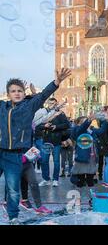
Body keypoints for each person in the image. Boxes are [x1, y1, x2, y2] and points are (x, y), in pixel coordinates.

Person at [0, 68, 71, 224]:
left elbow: (43, 95)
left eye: (20, 90)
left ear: (24, 93)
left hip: (15, 155)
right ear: (8, 93)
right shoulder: (2, 107)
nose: (17, 93)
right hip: (1, 151)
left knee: (12, 190)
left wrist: (56, 82)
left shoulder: (29, 107)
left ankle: (13, 217)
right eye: (13, 91)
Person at [35, 98, 71, 187]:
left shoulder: (61, 114)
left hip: (56, 140)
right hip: (46, 140)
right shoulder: (44, 113)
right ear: (47, 103)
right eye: (50, 103)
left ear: (56, 104)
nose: (52, 105)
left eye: (54, 103)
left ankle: (55, 179)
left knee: (56, 161)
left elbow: (67, 124)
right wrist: (44, 126)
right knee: (44, 161)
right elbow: (37, 125)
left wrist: (56, 126)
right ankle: (46, 179)